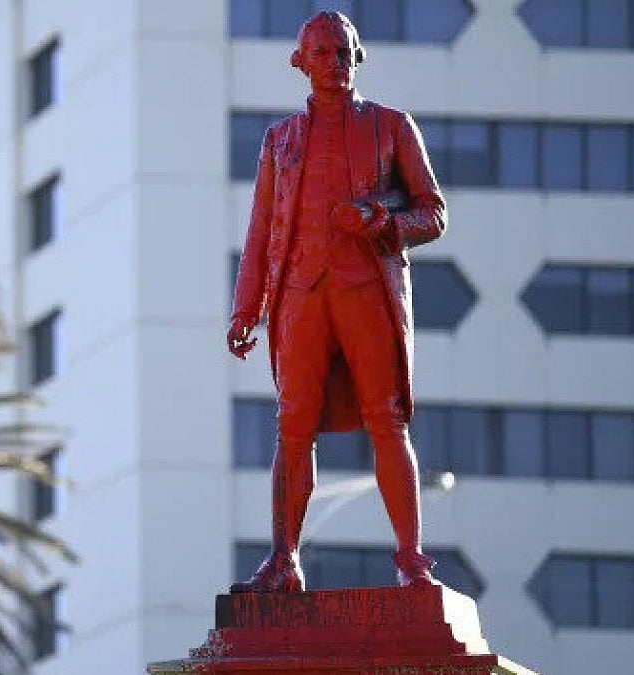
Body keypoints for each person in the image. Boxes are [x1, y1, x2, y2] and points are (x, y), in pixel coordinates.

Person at [227, 11, 446, 592]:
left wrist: (381, 219)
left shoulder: (392, 126)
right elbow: (261, 228)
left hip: (367, 290)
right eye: (322, 52)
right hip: (300, 295)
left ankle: (411, 561)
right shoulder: (280, 140)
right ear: (301, 62)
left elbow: (432, 212)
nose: (335, 62)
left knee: (387, 419)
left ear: (358, 56)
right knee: (293, 425)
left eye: (344, 51)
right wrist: (245, 309)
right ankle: (283, 561)